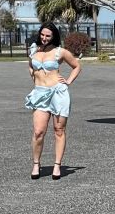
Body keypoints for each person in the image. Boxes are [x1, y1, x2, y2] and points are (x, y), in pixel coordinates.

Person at [24, 22, 81, 180]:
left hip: (58, 94)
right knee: (38, 132)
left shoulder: (60, 52)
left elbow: (76, 66)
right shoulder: (34, 49)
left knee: (59, 130)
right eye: (42, 35)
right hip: (40, 93)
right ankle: (36, 163)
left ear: (54, 36)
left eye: (48, 35)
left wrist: (68, 81)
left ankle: (57, 165)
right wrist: (33, 76)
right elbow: (31, 65)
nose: (44, 38)